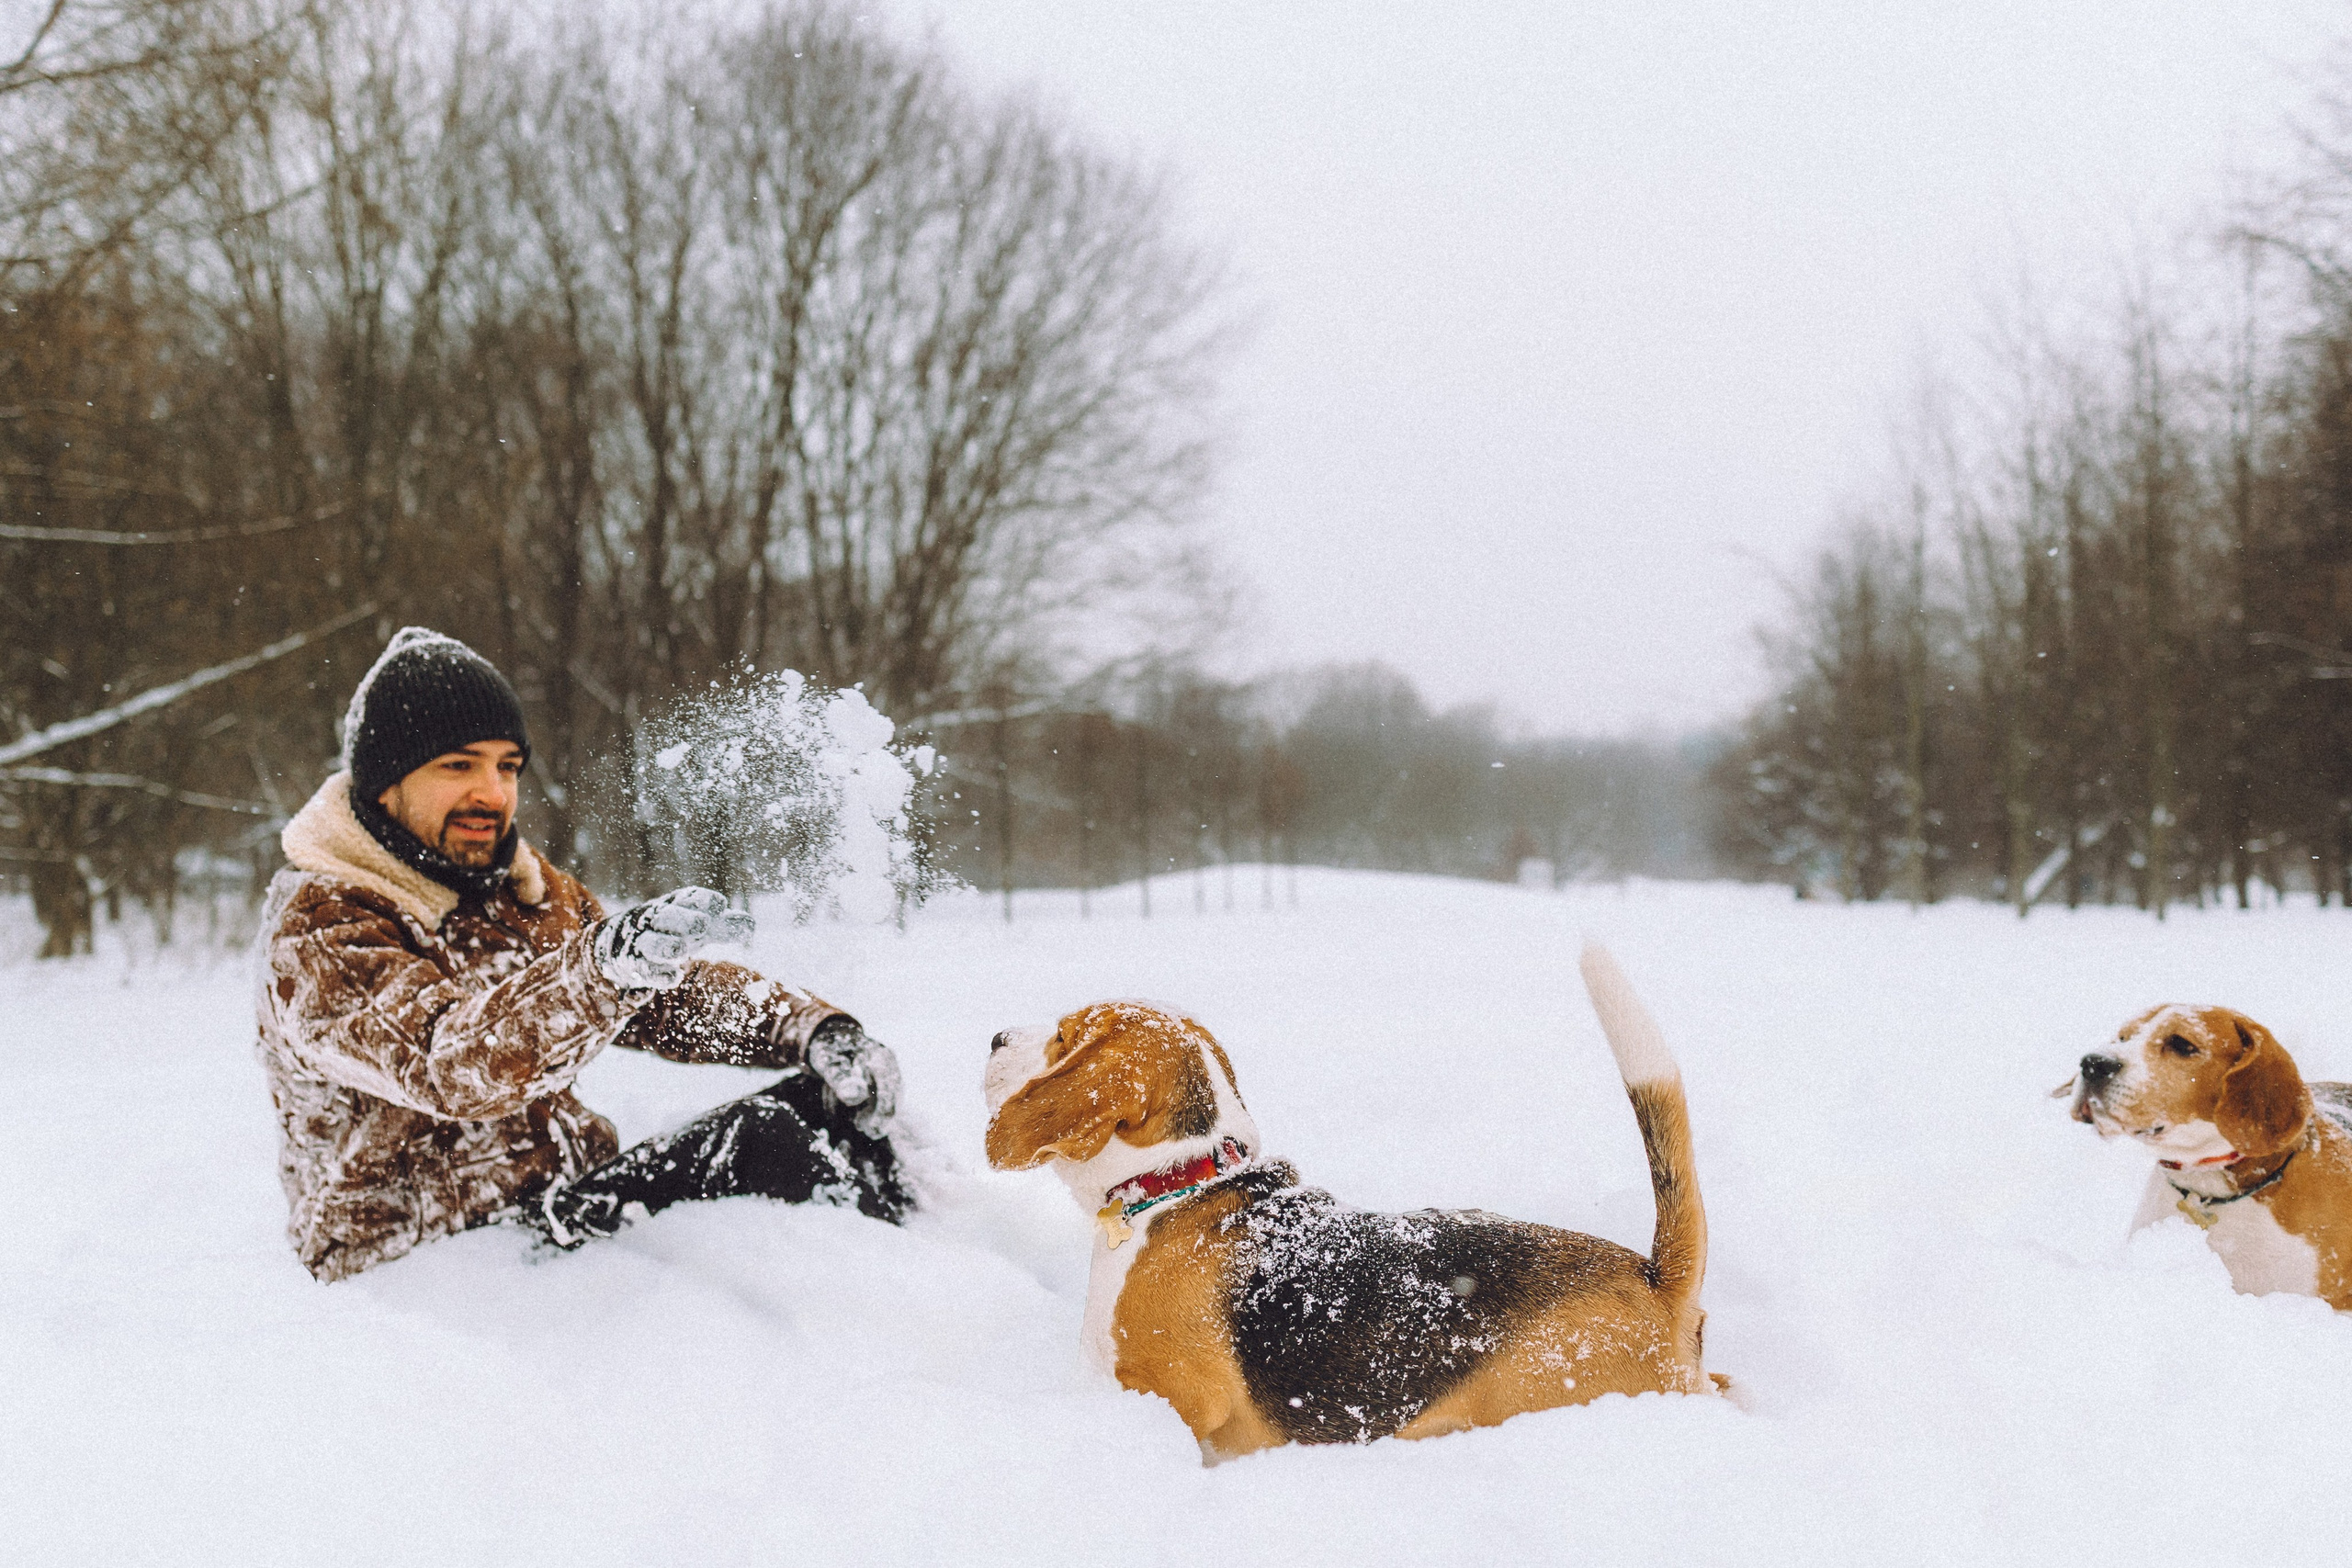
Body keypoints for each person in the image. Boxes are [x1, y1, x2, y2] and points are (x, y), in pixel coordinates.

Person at [254, 626, 910, 1282]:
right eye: (458, 764)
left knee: (828, 1109)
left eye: (507, 766)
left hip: (557, 1220)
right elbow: (445, 1062)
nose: (492, 793)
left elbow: (664, 995)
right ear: (384, 783)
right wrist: (604, 967)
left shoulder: (518, 890)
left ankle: (927, 1292)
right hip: (428, 1276)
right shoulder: (324, 926)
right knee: (772, 1143)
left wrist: (812, 1027)